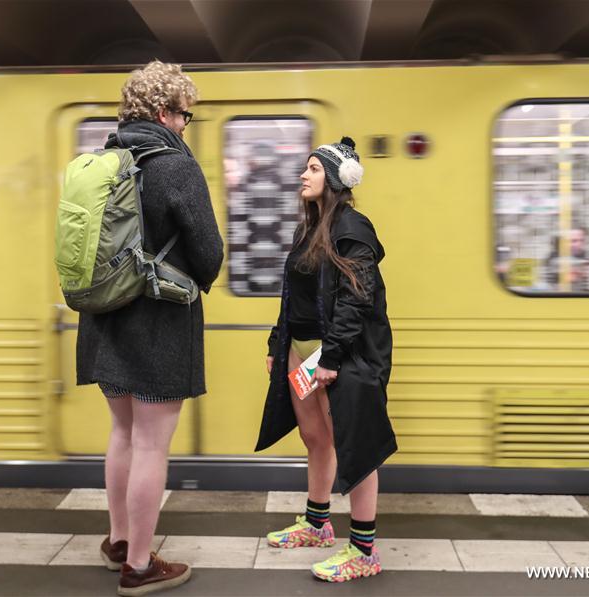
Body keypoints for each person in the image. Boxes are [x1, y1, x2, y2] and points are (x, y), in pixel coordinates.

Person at [76, 60, 223, 596]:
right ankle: (138, 566)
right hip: (158, 324)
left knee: (122, 434)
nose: (185, 124)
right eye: (184, 115)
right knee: (151, 446)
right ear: (163, 112)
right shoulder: (175, 167)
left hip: (104, 320)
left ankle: (119, 541)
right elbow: (209, 255)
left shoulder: (101, 160)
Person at [255, 137, 397, 583]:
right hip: (300, 352)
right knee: (315, 438)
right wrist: (278, 344)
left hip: (339, 354)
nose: (304, 174)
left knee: (356, 448)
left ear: (336, 179)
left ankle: (364, 551)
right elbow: (294, 296)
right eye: (306, 167)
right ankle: (317, 525)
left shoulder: (353, 228)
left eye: (314, 168)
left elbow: (357, 298)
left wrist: (331, 357)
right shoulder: (309, 230)